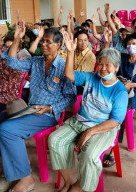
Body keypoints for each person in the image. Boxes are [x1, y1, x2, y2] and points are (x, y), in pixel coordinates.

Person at [0, 23, 76, 192]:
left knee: (7, 129)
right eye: (43, 42)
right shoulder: (36, 62)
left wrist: (49, 108)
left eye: (48, 42)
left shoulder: (64, 68)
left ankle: (26, 179)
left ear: (59, 45)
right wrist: (17, 39)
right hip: (29, 109)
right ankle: (15, 164)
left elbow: (71, 97)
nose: (44, 45)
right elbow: (10, 61)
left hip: (47, 114)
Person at [48, 37, 128, 192]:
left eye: (108, 65)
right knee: (55, 140)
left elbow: (115, 121)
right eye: (101, 64)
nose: (103, 68)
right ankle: (69, 181)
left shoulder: (120, 92)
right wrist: (70, 52)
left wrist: (90, 132)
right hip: (79, 121)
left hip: (103, 128)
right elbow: (69, 75)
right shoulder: (91, 77)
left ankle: (81, 186)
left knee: (89, 155)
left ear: (117, 67)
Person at [103, 32, 136, 167]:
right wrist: (107, 43)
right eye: (129, 44)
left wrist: (131, 85)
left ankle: (114, 147)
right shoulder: (122, 58)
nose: (131, 46)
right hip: (118, 91)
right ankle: (102, 135)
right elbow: (106, 60)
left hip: (135, 95)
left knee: (120, 109)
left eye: (134, 44)